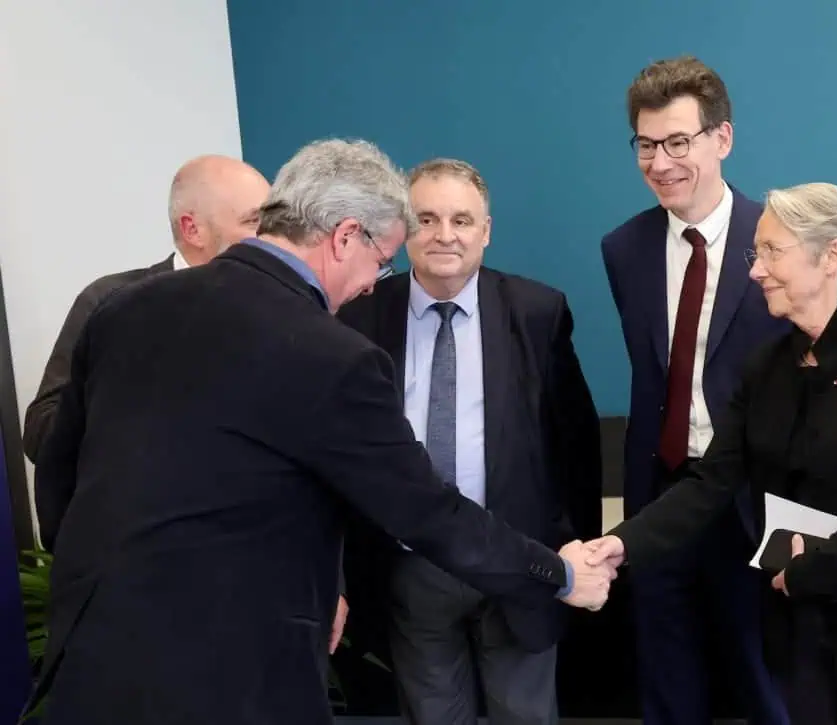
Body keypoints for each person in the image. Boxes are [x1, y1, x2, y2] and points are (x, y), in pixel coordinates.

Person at [27, 139, 614, 725]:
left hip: (97, 648)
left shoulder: (123, 308)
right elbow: (426, 509)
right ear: (344, 237)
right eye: (382, 260)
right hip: (235, 666)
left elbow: (60, 470)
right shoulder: (332, 353)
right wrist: (557, 574)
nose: (371, 284)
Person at [587, 182, 837, 725]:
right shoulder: (764, 368)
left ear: (832, 255)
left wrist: (812, 570)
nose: (755, 270)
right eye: (755, 252)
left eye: (772, 251)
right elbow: (709, 482)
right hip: (799, 633)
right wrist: (620, 545)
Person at [338, 158, 602, 725]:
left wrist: (570, 549)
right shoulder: (360, 316)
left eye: (462, 219)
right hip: (410, 565)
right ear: (404, 228)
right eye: (427, 219)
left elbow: (575, 446)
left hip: (518, 559)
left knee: (524, 714)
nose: (445, 235)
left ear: (486, 230)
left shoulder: (537, 311)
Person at [600, 55, 789, 725]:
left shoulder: (780, 240)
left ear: (722, 139)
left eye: (678, 142)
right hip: (661, 500)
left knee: (769, 687)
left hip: (758, 507)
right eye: (647, 145)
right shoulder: (624, 248)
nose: (661, 162)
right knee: (667, 686)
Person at [22, 154, 270, 464]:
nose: (271, 236)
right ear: (192, 229)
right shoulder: (111, 300)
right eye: (253, 221)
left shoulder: (279, 306)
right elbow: (39, 434)